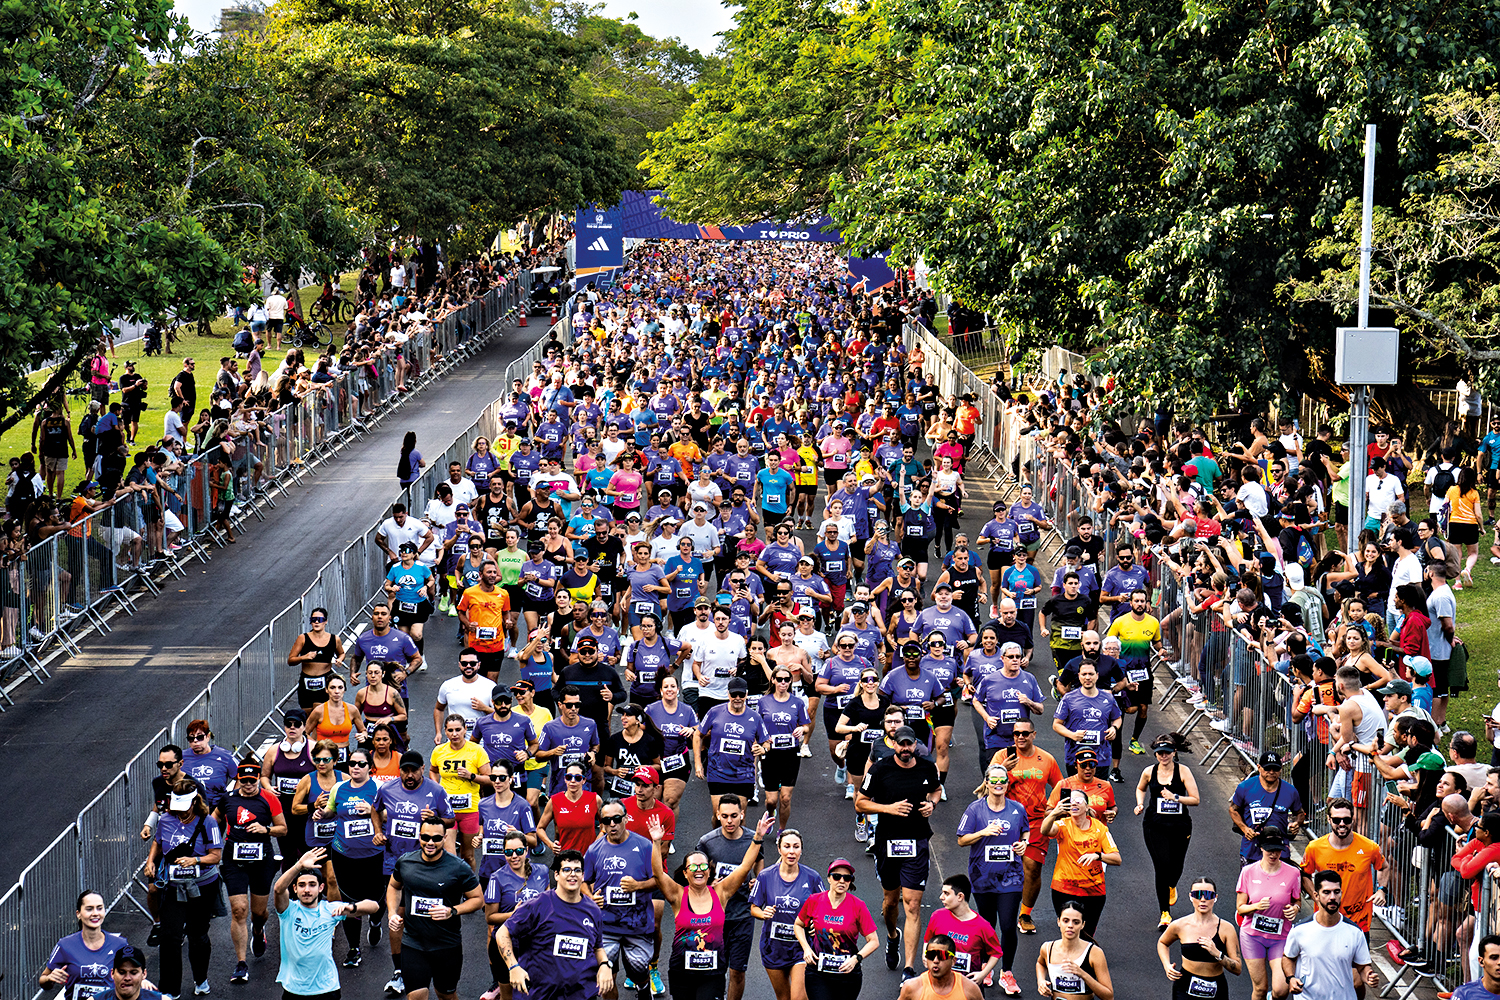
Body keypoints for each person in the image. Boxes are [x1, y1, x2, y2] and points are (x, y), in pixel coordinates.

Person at [649, 810, 774, 1000]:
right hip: (681, 971)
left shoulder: (721, 893)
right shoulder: (677, 895)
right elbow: (658, 873)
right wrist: (656, 842)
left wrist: (757, 838)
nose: (698, 870)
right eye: (693, 867)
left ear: (709, 871)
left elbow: (744, 867)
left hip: (712, 973)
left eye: (703, 866)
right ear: (685, 873)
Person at [855, 724, 942, 982]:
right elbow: (860, 803)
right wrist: (888, 809)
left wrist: (932, 803)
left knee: (913, 905)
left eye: (909, 744)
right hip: (887, 843)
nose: (905, 749)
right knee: (891, 902)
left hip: (917, 842)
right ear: (893, 744)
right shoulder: (880, 770)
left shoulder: (927, 767)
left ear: (915, 745)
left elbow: (936, 789)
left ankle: (909, 969)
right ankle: (893, 936)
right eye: (900, 744)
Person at [384, 817, 483, 1000]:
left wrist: (452, 911)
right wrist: (392, 913)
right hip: (413, 943)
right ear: (419, 837)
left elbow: (478, 899)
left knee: (445, 995)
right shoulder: (405, 862)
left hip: (446, 944)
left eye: (436, 838)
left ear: (445, 838)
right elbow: (393, 886)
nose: (430, 842)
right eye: (425, 837)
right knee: (416, 996)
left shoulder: (458, 867)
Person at [145, 777, 223, 999]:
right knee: (170, 937)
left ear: (194, 802)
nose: (179, 812)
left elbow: (215, 855)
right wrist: (151, 862)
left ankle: (201, 979)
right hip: (173, 885)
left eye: (184, 807)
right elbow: (158, 843)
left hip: (202, 887)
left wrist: (195, 861)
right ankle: (170, 989)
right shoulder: (166, 819)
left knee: (198, 935)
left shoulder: (207, 822)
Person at [955, 764, 1028, 992]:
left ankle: (1007, 972)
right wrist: (982, 832)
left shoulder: (1017, 809)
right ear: (986, 783)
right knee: (987, 925)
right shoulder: (975, 810)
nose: (998, 784)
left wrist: (1024, 843)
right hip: (982, 875)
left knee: (1007, 925)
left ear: (1008, 784)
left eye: (1002, 781)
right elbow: (961, 839)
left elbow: (1025, 830)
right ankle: (987, 967)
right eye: (994, 780)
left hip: (1011, 876)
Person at [275, 848, 378, 1000]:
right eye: (302, 885)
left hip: (327, 989)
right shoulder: (288, 910)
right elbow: (278, 889)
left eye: (312, 884)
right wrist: (299, 866)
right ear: (295, 889)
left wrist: (352, 907)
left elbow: (374, 906)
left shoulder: (330, 909)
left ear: (321, 888)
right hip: (294, 989)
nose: (307, 890)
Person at [695, 794, 767, 1000]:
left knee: (737, 971)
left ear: (742, 815)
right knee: (714, 969)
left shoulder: (754, 839)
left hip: (743, 915)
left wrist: (758, 880)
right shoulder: (707, 842)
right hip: (715, 917)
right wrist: (709, 885)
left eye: (734, 816)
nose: (729, 821)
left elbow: (759, 862)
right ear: (717, 815)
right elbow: (695, 873)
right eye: (724, 816)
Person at [584, 799, 659, 998]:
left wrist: (639, 886)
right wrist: (590, 898)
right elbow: (584, 881)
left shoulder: (644, 846)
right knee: (606, 976)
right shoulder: (594, 850)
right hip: (605, 927)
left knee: (638, 969)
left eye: (617, 819)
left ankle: (643, 988)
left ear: (625, 819)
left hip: (638, 925)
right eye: (606, 820)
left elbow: (659, 880)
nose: (612, 824)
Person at [221, 761, 287, 984]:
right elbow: (213, 820)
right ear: (238, 779)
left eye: (252, 780)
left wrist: (265, 829)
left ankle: (258, 930)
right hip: (234, 861)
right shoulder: (228, 799)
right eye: (244, 780)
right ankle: (241, 963)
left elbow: (283, 829)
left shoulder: (269, 798)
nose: (248, 784)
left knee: (258, 913)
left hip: (261, 861)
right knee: (239, 910)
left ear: (258, 778)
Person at [1133, 732, 1200, 930]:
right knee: (1162, 865)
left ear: (1174, 752)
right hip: (1155, 825)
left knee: (1176, 865)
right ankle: (1165, 913)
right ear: (1155, 754)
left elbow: (1195, 799)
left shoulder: (1183, 771)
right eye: (1160, 753)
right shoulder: (1148, 772)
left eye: (1167, 753)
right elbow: (1140, 788)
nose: (1164, 756)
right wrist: (1139, 804)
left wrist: (1175, 797)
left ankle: (1172, 884)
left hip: (1180, 825)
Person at [749, 828, 825, 1000]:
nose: (791, 851)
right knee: (783, 997)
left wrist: (816, 922)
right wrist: (763, 913)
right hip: (773, 947)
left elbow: (824, 908)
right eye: (787, 846)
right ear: (779, 849)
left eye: (796, 847)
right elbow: (754, 908)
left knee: (799, 998)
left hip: (802, 947)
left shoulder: (812, 877)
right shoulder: (766, 876)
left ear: (801, 850)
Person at [1038, 785, 1120, 941]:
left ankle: (1087, 958)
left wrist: (1098, 856)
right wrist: (1055, 812)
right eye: (1071, 801)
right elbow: (1045, 830)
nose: (1074, 803)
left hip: (1093, 890)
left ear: (1087, 806)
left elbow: (1117, 858)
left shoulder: (1100, 828)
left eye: (1078, 800)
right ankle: (1069, 960)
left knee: (1086, 934)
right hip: (1064, 888)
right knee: (1070, 930)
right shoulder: (1063, 825)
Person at [792, 857, 881, 1000]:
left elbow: (874, 941)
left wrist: (856, 959)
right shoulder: (814, 900)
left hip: (847, 972)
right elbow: (798, 924)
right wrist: (806, 948)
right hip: (818, 971)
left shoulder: (858, 906)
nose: (841, 881)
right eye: (837, 876)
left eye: (847, 878)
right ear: (829, 878)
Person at [1281, 870, 1377, 1000]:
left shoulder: (1355, 932)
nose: (1332, 897)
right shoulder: (1299, 930)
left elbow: (1362, 966)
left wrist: (1368, 976)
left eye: (1336, 892)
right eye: (1326, 892)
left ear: (1341, 894)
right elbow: (1288, 957)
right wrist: (1291, 978)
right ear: (1316, 895)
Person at [1299, 797, 1387, 934]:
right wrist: (1316, 897)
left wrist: (1382, 890)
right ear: (1329, 820)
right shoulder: (1314, 848)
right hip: (1326, 921)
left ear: (1353, 819)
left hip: (1358, 923)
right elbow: (1304, 874)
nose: (1342, 824)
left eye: (1346, 820)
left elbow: (1383, 867)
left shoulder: (1369, 847)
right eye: (1336, 820)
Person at [1235, 827, 1302, 1000]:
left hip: (1280, 937)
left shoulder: (1293, 873)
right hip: (1253, 936)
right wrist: (1256, 906)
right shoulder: (1248, 872)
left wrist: (1294, 909)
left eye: (1278, 850)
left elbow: (1297, 901)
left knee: (1280, 990)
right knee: (1260, 988)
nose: (1274, 854)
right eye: (1270, 850)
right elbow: (1240, 908)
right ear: (1261, 847)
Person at [1156, 876, 1242, 1000]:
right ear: (1191, 897)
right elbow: (1162, 942)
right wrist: (1166, 965)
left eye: (1208, 895)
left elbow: (1238, 968)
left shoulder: (1226, 929)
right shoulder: (1180, 925)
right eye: (1198, 895)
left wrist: (1218, 954)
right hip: (1184, 988)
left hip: (1216, 989)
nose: (1202, 900)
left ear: (1215, 898)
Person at [429, 713, 493, 870]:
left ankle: (470, 888)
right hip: (447, 810)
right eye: (450, 730)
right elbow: (433, 770)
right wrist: (436, 786)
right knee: (450, 853)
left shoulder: (477, 750)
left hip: (470, 810)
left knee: (468, 855)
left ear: (465, 729)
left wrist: (471, 776)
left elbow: (490, 778)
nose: (454, 734)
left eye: (458, 729)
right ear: (445, 731)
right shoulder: (439, 751)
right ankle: (454, 888)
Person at [40, 890, 130, 1000]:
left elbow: (132, 977)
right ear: (78, 914)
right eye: (89, 909)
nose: (95, 913)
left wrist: (141, 982)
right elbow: (43, 981)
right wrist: (50, 979)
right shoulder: (65, 945)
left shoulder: (120, 944)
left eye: (99, 908)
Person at [923, 875, 1004, 991]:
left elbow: (996, 953)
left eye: (946, 893)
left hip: (967, 986)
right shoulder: (937, 916)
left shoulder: (983, 926)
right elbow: (927, 939)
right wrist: (925, 956)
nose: (941, 897)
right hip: (939, 983)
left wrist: (983, 974)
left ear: (960, 896)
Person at [1228, 751, 1305, 863]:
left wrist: (1296, 824)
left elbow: (1300, 813)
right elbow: (1233, 809)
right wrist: (1244, 829)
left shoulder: (1290, 791)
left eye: (1275, 769)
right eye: (1267, 769)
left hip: (1279, 851)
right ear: (1259, 767)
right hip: (1251, 850)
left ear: (1281, 768)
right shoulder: (1245, 787)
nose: (1271, 772)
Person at [1035, 901, 1114, 999]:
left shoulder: (1094, 953)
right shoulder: (1047, 948)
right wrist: (1041, 981)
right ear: (1058, 922)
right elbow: (1040, 963)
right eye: (1065, 920)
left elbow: (1109, 996)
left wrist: (1082, 974)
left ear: (1082, 925)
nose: (1070, 925)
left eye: (1076, 922)